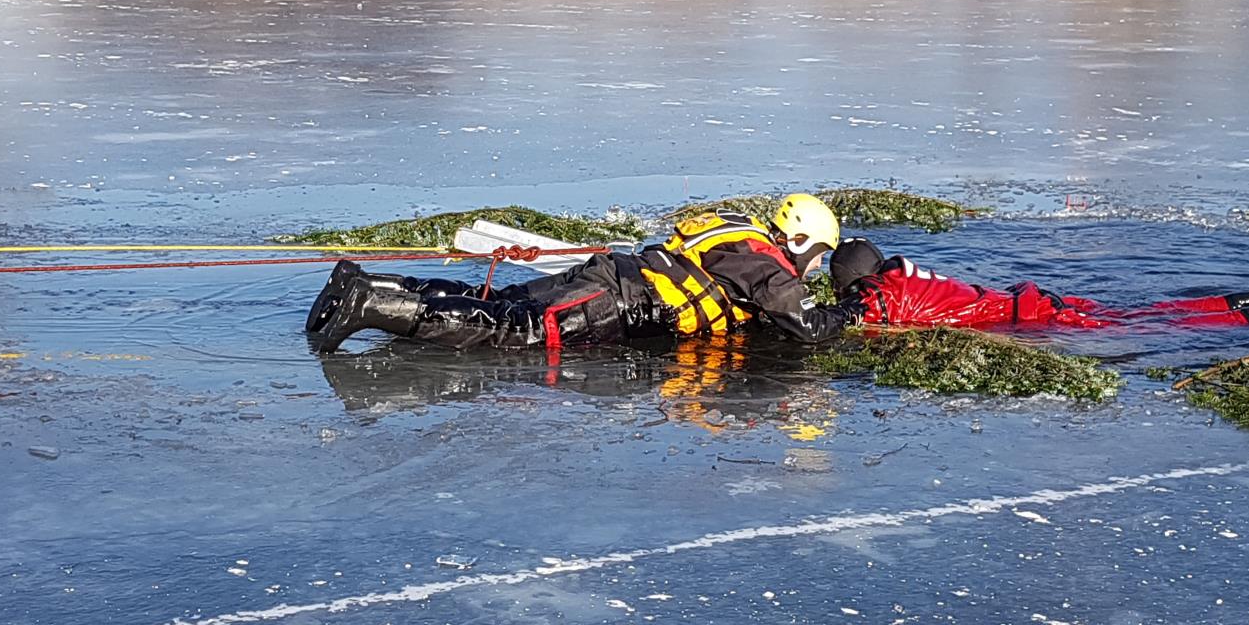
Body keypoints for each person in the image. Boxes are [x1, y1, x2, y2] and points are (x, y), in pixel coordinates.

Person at [307, 194, 868, 353]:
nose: (815, 267)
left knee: (499, 301)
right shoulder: (764, 263)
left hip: (613, 277)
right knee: (515, 330)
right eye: (818, 255)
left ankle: (363, 284)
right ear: (798, 240)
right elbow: (807, 327)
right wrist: (854, 306)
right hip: (617, 303)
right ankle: (372, 306)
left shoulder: (737, 233)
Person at [828, 238, 1249, 331]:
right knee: (1144, 315)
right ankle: (1248, 299)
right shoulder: (902, 274)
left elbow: (859, 317)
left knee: (1152, 327)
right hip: (1026, 301)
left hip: (1031, 318)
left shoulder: (880, 294)